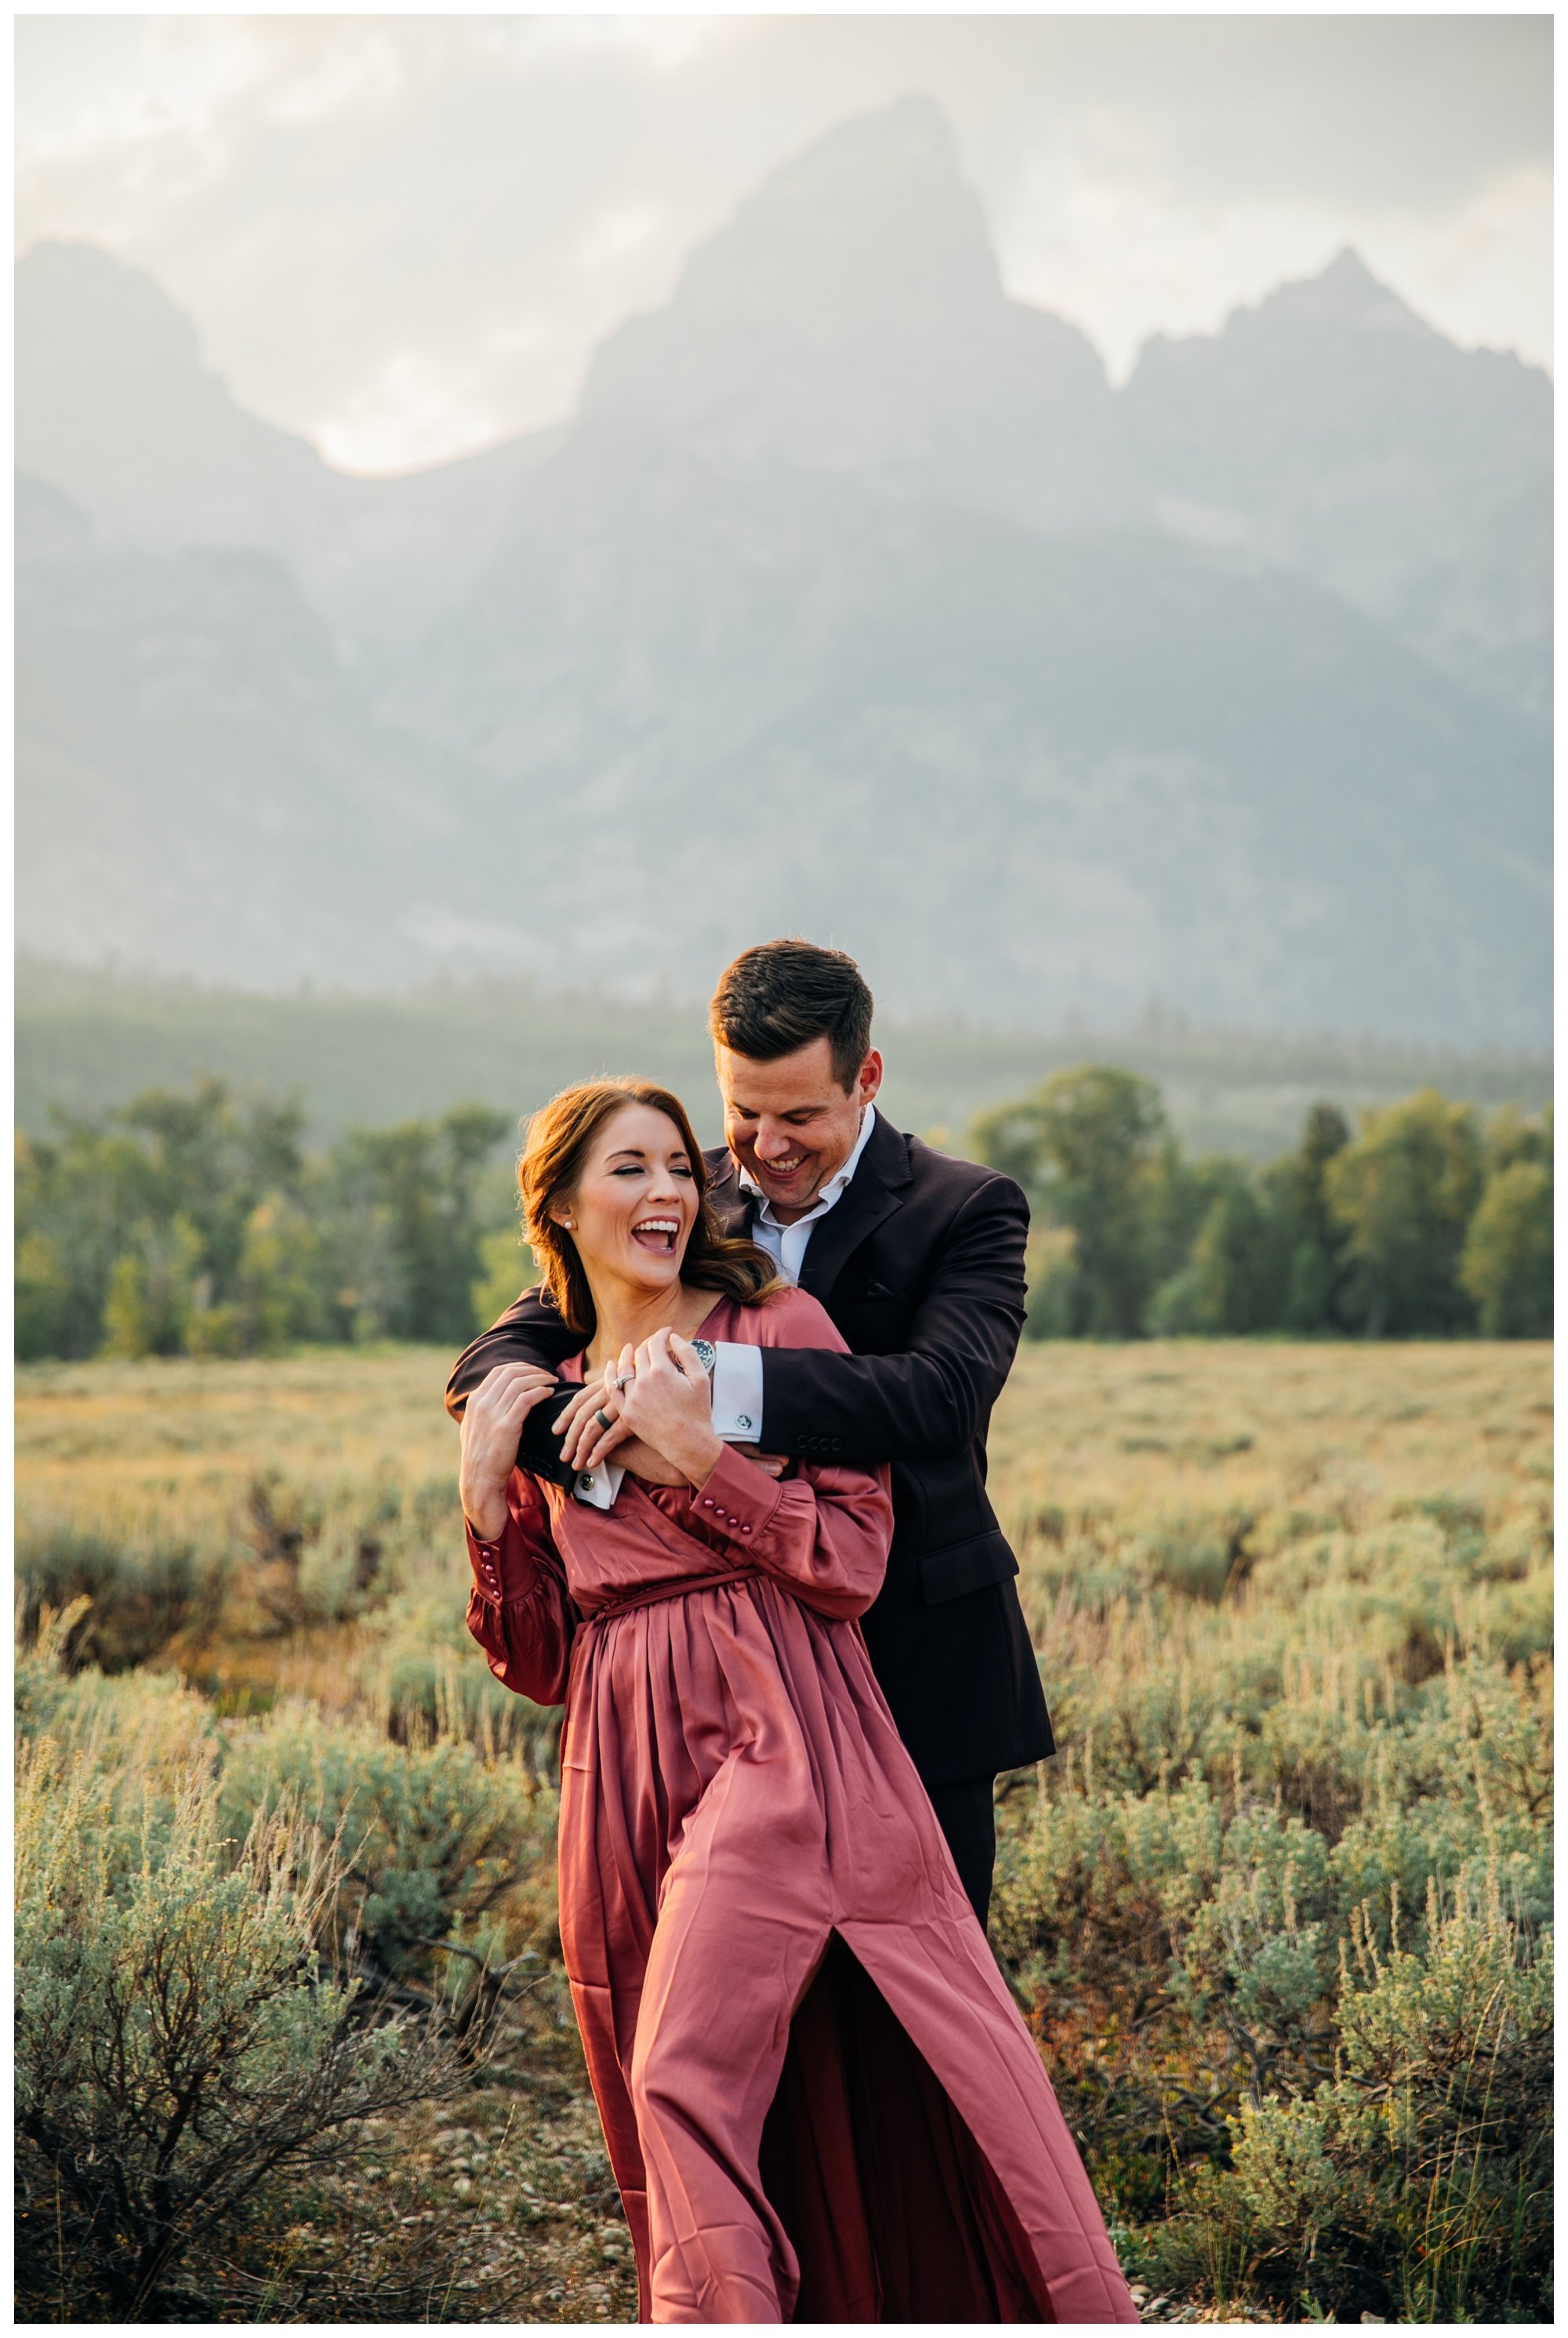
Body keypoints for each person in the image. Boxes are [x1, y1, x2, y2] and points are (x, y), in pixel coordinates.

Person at [458, 1074, 1136, 2323]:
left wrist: (700, 1447)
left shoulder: (779, 1327)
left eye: (676, 1165)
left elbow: (848, 1561)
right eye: (633, 1168)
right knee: (717, 2081)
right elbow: (542, 1658)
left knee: (684, 2070)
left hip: (775, 1734)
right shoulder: (544, 1375)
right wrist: (485, 1502)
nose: (671, 1188)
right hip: (620, 1755)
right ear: (555, 1203)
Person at [448, 939, 1051, 1926]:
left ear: (867, 1079)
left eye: (800, 1116)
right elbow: (493, 1362)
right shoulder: (680, 1193)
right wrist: (613, 1430)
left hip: (915, 1657)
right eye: (743, 1112)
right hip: (724, 1695)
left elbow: (941, 1398)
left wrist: (704, 1387)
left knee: (920, 1987)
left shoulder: (966, 1208)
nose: (765, 1146)